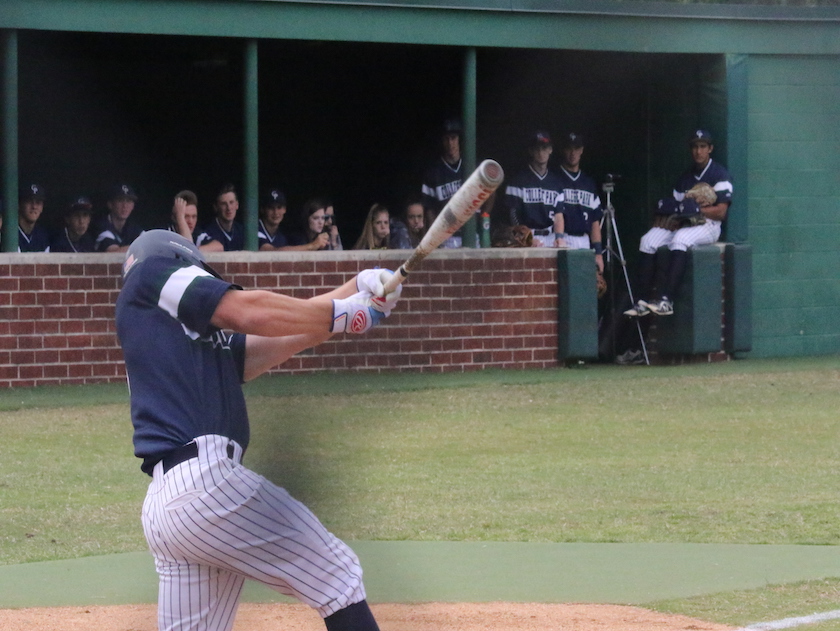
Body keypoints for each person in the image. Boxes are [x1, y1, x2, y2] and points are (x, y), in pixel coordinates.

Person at [115, 229, 400, 631]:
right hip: (206, 486)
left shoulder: (180, 343)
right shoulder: (153, 273)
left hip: (170, 509)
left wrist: (356, 290)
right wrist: (340, 313)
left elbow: (265, 342)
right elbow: (249, 310)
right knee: (338, 577)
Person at [624, 129, 733, 318]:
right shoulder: (685, 177)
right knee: (648, 240)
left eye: (702, 147)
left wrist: (696, 211)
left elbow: (722, 212)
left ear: (710, 149)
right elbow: (677, 208)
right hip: (685, 221)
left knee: (680, 239)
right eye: (695, 147)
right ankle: (641, 302)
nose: (698, 151)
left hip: (709, 225)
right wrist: (674, 218)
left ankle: (666, 300)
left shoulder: (719, 173)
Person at [504, 131, 566, 248]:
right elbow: (513, 214)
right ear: (531, 151)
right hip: (527, 236)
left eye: (544, 148)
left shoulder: (556, 182)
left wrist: (559, 238)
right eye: (537, 148)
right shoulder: (518, 180)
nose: (540, 152)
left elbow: (559, 216)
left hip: (550, 237)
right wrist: (526, 238)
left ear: (550, 150)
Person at [557, 132, 604, 272]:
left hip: (584, 240)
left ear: (581, 150)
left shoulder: (588, 183)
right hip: (562, 239)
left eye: (576, 148)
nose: (573, 153)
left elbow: (595, 222)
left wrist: (598, 253)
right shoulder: (554, 179)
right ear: (563, 150)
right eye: (569, 148)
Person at [421, 118, 464, 248]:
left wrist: (485, 216)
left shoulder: (471, 164)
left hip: (472, 233)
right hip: (447, 237)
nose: (450, 143)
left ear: (459, 139)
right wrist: (436, 237)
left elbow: (491, 192)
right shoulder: (433, 172)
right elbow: (429, 209)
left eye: (453, 138)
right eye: (446, 139)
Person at [94, 183, 143, 252]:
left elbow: (150, 244)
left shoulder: (133, 226)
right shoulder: (101, 225)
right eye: (120, 200)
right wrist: (141, 247)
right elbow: (114, 253)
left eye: (128, 201)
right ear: (110, 204)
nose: (125, 206)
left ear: (133, 206)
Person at [204, 183, 245, 251]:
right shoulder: (208, 232)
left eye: (231, 202)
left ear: (237, 205)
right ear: (216, 207)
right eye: (223, 204)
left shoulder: (242, 231)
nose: (229, 208)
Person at [18, 183, 51, 252]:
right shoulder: (10, 233)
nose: (34, 207)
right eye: (29, 201)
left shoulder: (42, 236)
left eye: (38, 202)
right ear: (20, 205)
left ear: (42, 208)